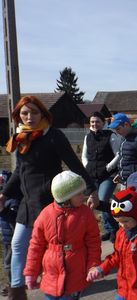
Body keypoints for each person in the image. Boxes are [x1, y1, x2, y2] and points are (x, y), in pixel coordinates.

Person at [0, 96, 98, 300]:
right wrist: (5, 193)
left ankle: (64, 285)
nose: (29, 117)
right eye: (24, 113)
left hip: (50, 202)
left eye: (34, 112)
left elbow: (73, 162)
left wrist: (90, 188)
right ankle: (17, 291)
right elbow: (20, 171)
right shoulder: (22, 137)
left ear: (43, 114)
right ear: (18, 116)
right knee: (18, 244)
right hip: (27, 203)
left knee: (53, 248)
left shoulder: (53, 135)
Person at [23, 171, 101, 300]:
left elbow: (93, 242)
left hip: (75, 274)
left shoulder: (86, 214)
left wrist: (93, 266)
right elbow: (35, 246)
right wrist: (31, 273)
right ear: (66, 197)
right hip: (51, 276)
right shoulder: (46, 215)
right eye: (79, 194)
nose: (84, 196)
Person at [86, 188, 137, 300]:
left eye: (126, 221)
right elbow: (116, 256)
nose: (123, 225)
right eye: (118, 222)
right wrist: (101, 269)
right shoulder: (121, 233)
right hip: (124, 289)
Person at [82, 111, 121, 242]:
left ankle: (114, 229)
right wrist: (87, 165)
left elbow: (118, 154)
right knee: (96, 203)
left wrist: (108, 167)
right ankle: (110, 228)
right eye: (92, 122)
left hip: (108, 175)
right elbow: (84, 155)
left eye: (97, 121)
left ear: (103, 123)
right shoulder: (88, 137)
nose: (94, 124)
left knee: (103, 199)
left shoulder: (111, 135)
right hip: (93, 175)